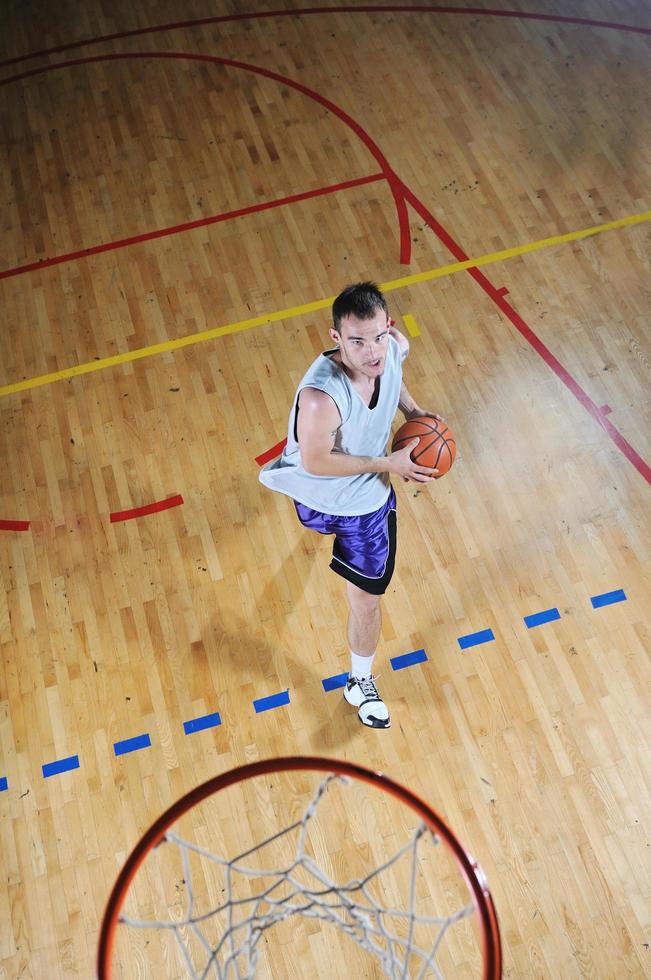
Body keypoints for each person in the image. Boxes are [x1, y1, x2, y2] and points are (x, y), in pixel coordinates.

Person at [259, 282, 441, 729]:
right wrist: (389, 463)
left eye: (378, 336)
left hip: (365, 507)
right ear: (336, 339)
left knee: (365, 598)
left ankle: (359, 681)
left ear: (389, 328)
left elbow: (393, 374)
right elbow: (317, 461)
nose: (371, 351)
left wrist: (417, 416)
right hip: (317, 493)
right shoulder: (321, 398)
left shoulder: (392, 349)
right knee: (320, 506)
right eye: (357, 341)